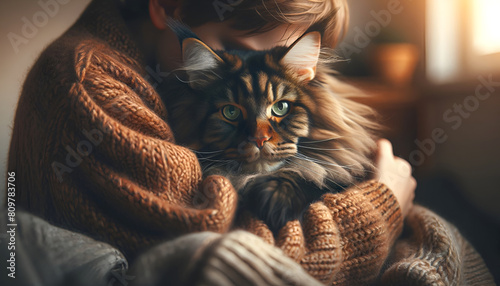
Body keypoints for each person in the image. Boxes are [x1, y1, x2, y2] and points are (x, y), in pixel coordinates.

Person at [6, 0, 493, 285]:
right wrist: (381, 204)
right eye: (241, 51)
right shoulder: (91, 86)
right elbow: (237, 261)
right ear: (166, 6)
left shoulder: (172, 56)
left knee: (444, 205)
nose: (259, 73)